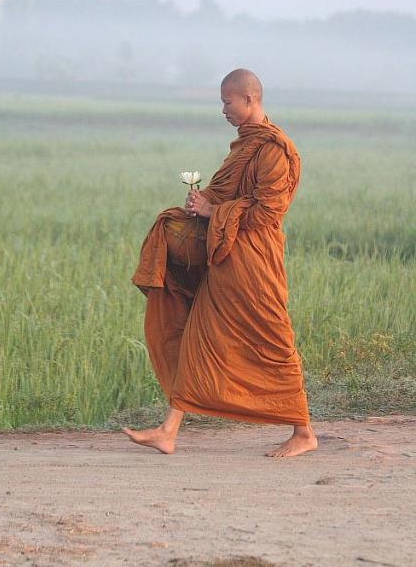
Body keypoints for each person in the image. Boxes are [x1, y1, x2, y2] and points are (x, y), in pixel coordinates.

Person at [123, 69, 318, 457]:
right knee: (199, 337)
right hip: (228, 256)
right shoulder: (245, 146)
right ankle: (168, 431)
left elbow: (267, 213)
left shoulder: (274, 149)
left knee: (274, 339)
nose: (223, 109)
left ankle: (304, 432)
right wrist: (202, 204)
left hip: (256, 261)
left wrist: (216, 211)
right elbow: (228, 192)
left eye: (228, 102)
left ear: (249, 100)